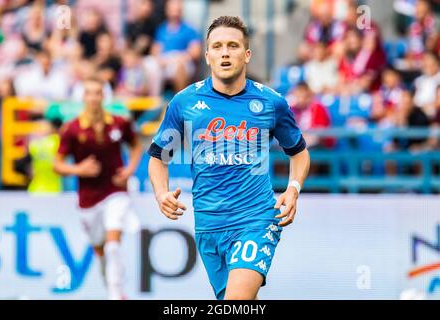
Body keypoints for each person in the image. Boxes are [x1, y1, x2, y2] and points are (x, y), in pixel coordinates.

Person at [148, 16, 310, 300]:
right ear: (207, 55)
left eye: (233, 46)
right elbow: (159, 158)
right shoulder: (185, 103)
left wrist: (293, 188)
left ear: (246, 54)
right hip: (208, 224)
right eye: (218, 46)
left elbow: (299, 153)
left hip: (256, 218)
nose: (225, 52)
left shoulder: (271, 103)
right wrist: (161, 192)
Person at [53, 77, 142, 300]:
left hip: (116, 191)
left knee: (113, 246)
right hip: (88, 198)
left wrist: (130, 169)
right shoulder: (72, 129)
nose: (93, 97)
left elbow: (136, 146)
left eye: (97, 92)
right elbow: (58, 164)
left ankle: (114, 294)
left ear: (103, 96)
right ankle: (114, 284)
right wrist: (79, 169)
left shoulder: (119, 123)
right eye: (89, 93)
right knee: (101, 251)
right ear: (84, 97)